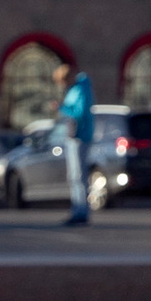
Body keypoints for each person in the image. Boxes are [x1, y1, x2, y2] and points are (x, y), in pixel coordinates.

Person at [55, 63, 96, 222]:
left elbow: (79, 113)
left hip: (80, 136)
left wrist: (62, 107)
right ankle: (77, 209)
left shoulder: (81, 89)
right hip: (73, 136)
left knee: (79, 175)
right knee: (73, 175)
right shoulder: (75, 89)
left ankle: (81, 211)